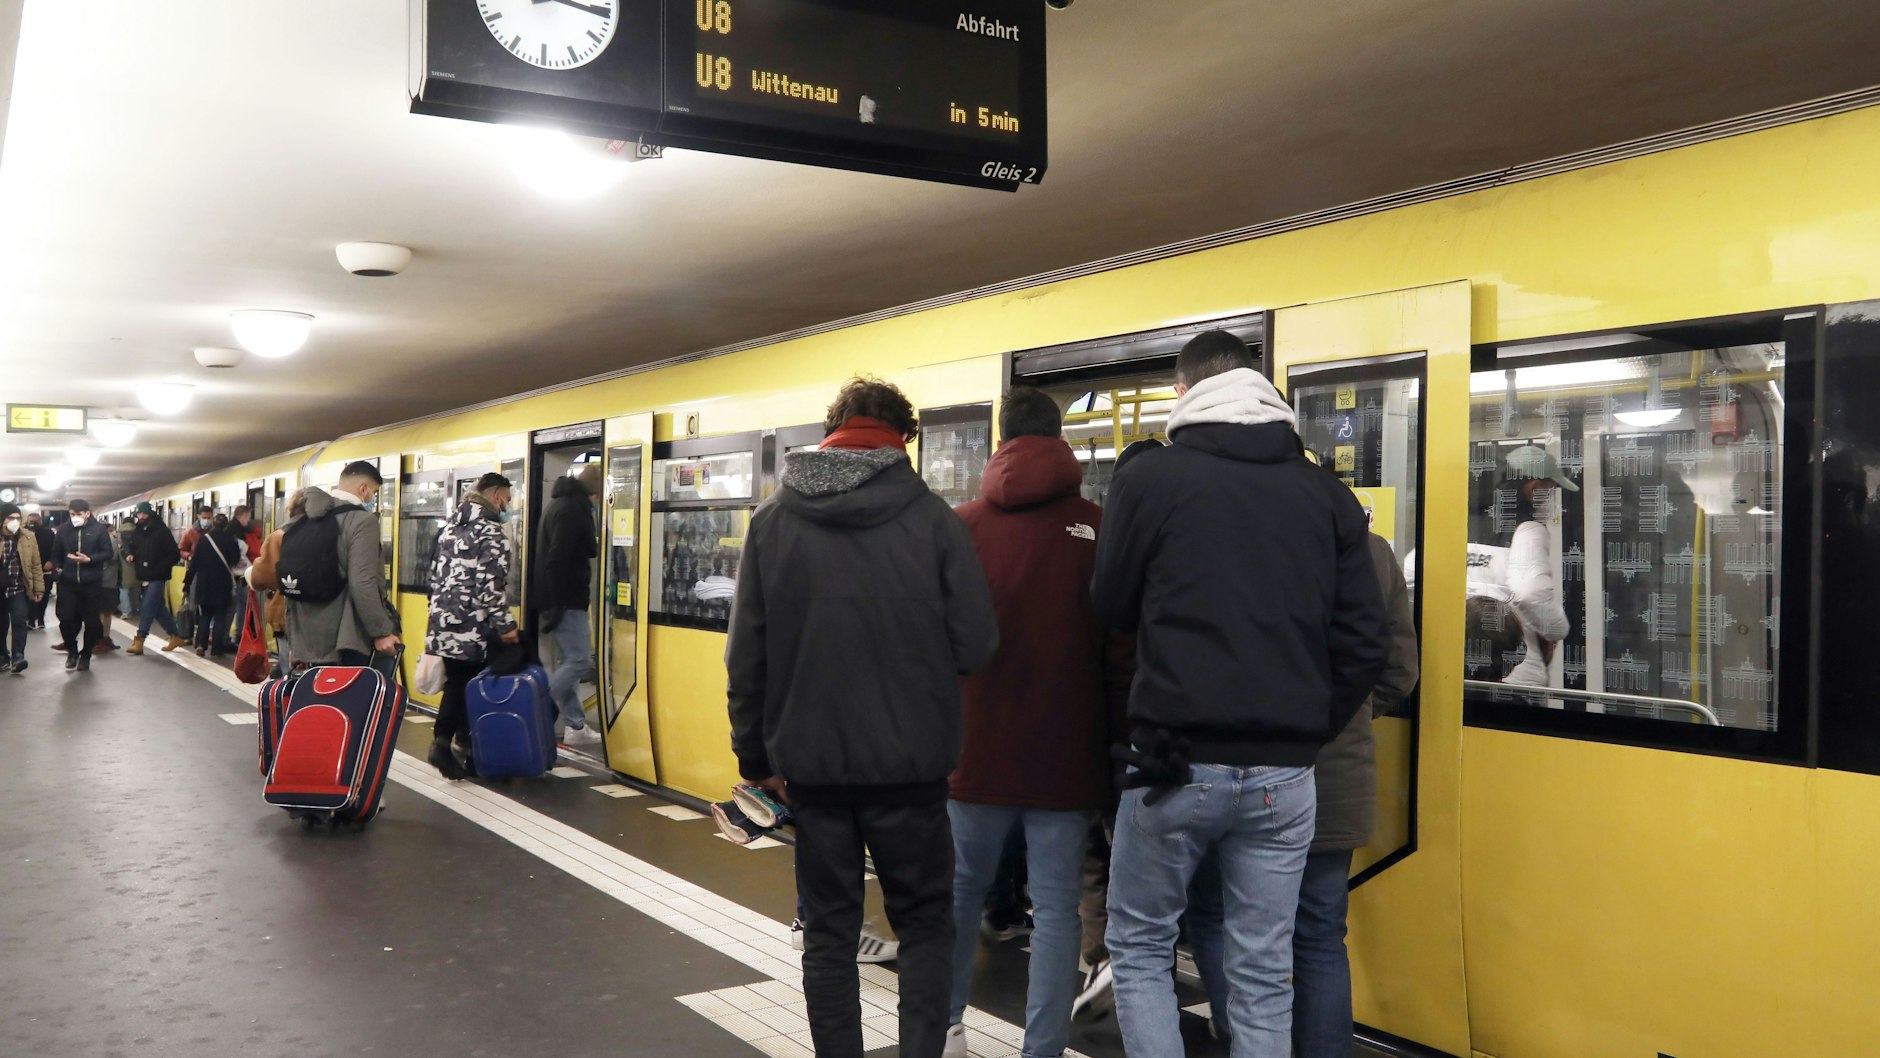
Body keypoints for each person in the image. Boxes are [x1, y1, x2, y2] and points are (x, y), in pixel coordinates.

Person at [1091, 330, 1389, 1058]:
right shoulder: (1327, 496)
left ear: (1183, 393)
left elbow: (1110, 604)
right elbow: (1364, 643)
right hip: (1286, 776)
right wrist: (1302, 731)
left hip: (1175, 762)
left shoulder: (1151, 479)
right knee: (1264, 971)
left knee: (1140, 945)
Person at [726, 377, 999, 1058]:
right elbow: (977, 644)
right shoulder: (936, 520)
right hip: (911, 770)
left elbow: (745, 659)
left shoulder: (772, 523)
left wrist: (755, 763)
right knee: (926, 925)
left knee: (829, 932)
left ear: (831, 431)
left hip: (811, 772)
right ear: (903, 438)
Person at [1189, 528, 1421, 1056]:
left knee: (1216, 912)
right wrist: (1346, 719)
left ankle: (1240, 1038)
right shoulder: (1371, 549)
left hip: (1239, 764)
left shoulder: (1235, 540)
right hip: (1338, 773)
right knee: (1318, 934)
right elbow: (1399, 671)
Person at [942, 387, 1124, 1058]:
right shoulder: (1100, 528)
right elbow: (1121, 651)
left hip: (974, 752)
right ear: (1062, 440)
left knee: (958, 899)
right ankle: (1040, 1048)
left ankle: (948, 1031)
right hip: (1066, 759)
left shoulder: (959, 526)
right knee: (1055, 913)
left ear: (1000, 439)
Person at [423, 473, 521, 780]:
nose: (508, 504)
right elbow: (489, 587)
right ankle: (462, 747)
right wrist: (506, 626)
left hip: (444, 621)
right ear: (495, 496)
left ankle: (450, 744)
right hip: (473, 626)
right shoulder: (491, 532)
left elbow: (434, 577)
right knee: (472, 685)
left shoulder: (451, 527)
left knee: (458, 683)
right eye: (507, 497)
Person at [281, 461, 401, 678]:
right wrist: (381, 632)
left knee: (321, 705)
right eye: (374, 492)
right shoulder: (362, 521)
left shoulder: (304, 518)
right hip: (348, 639)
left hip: (309, 640)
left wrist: (296, 645)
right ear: (363, 489)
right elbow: (362, 582)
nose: (373, 498)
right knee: (365, 704)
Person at [1469, 447, 1575, 686]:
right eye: (1551, 490)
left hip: (1462, 665)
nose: (1552, 499)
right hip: (1516, 672)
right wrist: (1556, 631)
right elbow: (1530, 594)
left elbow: (1411, 575)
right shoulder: (1528, 531)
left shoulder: (1468, 526)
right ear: (1534, 489)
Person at [535, 463, 603, 746]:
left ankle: (575, 724)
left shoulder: (558, 504)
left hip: (558, 599)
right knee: (578, 661)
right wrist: (559, 603)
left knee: (568, 661)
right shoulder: (573, 511)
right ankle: (535, 705)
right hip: (567, 600)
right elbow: (558, 558)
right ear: (595, 493)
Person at [48, 499, 117, 672]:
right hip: (67, 583)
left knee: (92, 623)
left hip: (91, 583)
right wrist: (57, 572)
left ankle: (86, 655)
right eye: (72, 514)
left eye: (78, 514)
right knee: (66, 619)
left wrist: (90, 559)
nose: (75, 518)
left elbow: (108, 552)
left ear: (87, 513)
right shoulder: (63, 531)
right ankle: (72, 651)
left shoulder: (99, 530)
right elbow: (55, 555)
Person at [249, 490, 307, 678]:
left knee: (287, 660)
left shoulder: (278, 537)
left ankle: (291, 692)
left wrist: (255, 567)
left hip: (283, 608)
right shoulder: (328, 532)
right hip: (320, 613)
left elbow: (262, 577)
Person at [122, 501, 188, 655]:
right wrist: (129, 554)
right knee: (158, 608)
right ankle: (175, 636)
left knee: (147, 606)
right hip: (144, 575)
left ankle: (139, 640)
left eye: (143, 513)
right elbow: (131, 546)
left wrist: (160, 568)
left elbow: (174, 554)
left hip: (158, 576)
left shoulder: (161, 531)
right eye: (138, 514)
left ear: (150, 513)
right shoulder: (137, 531)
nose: (141, 516)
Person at [182, 514, 242, 658]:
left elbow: (194, 564)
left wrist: (187, 583)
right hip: (223, 584)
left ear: (213, 524)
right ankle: (217, 649)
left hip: (205, 585)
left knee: (205, 616)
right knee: (220, 618)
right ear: (226, 525)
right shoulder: (230, 540)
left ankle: (201, 645)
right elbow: (236, 559)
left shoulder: (204, 540)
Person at [1, 503, 46, 673]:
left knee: (20, 620)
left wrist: (39, 589)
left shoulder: (28, 537)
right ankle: (2, 656)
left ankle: (18, 656)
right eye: (10, 518)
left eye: (18, 518)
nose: (15, 521)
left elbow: (36, 564)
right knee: (1, 624)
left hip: (18, 587)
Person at [223, 505, 263, 653]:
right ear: (243, 515)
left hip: (242, 574)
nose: (249, 520)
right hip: (242, 574)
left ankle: (238, 634)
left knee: (241, 605)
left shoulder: (235, 530)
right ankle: (239, 635)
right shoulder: (239, 533)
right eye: (248, 516)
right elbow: (251, 551)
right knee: (241, 605)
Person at [26, 511, 56, 629]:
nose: (32, 523)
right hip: (28, 570)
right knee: (30, 595)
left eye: (35, 521)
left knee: (44, 594)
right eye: (30, 521)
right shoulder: (22, 533)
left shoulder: (48, 533)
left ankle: (41, 618)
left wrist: (51, 561)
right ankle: (31, 619)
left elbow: (55, 549)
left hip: (45, 569)